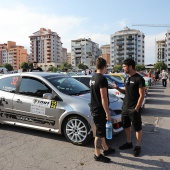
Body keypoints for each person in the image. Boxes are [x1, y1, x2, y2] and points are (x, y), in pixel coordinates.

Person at [113, 58, 145, 157]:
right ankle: (128, 142)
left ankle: (138, 146)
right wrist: (117, 88)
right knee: (126, 126)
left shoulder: (139, 79)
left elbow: (142, 95)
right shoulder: (126, 78)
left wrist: (136, 108)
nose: (122, 68)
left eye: (124, 66)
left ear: (130, 67)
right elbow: (126, 91)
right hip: (125, 107)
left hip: (134, 108)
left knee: (137, 128)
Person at [90, 57, 115, 163]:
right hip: (99, 110)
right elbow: (103, 97)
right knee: (99, 134)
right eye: (106, 67)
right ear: (104, 67)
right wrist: (107, 113)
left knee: (101, 130)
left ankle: (106, 149)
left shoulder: (93, 77)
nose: (106, 69)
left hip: (94, 107)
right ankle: (97, 154)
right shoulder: (102, 78)